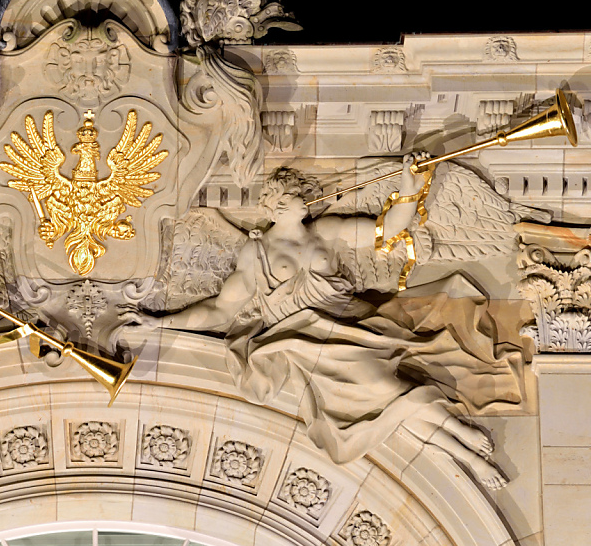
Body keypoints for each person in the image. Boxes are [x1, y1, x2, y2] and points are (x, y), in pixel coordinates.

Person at [124, 156, 523, 489]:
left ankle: (465, 449)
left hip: (351, 325)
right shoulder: (255, 253)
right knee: (387, 393)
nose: (303, 199)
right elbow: (220, 312)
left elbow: (387, 230)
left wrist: (409, 186)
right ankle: (464, 447)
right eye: (293, 195)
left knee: (387, 402)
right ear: (274, 203)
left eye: (302, 194)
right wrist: (160, 324)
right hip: (303, 341)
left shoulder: (325, 232)